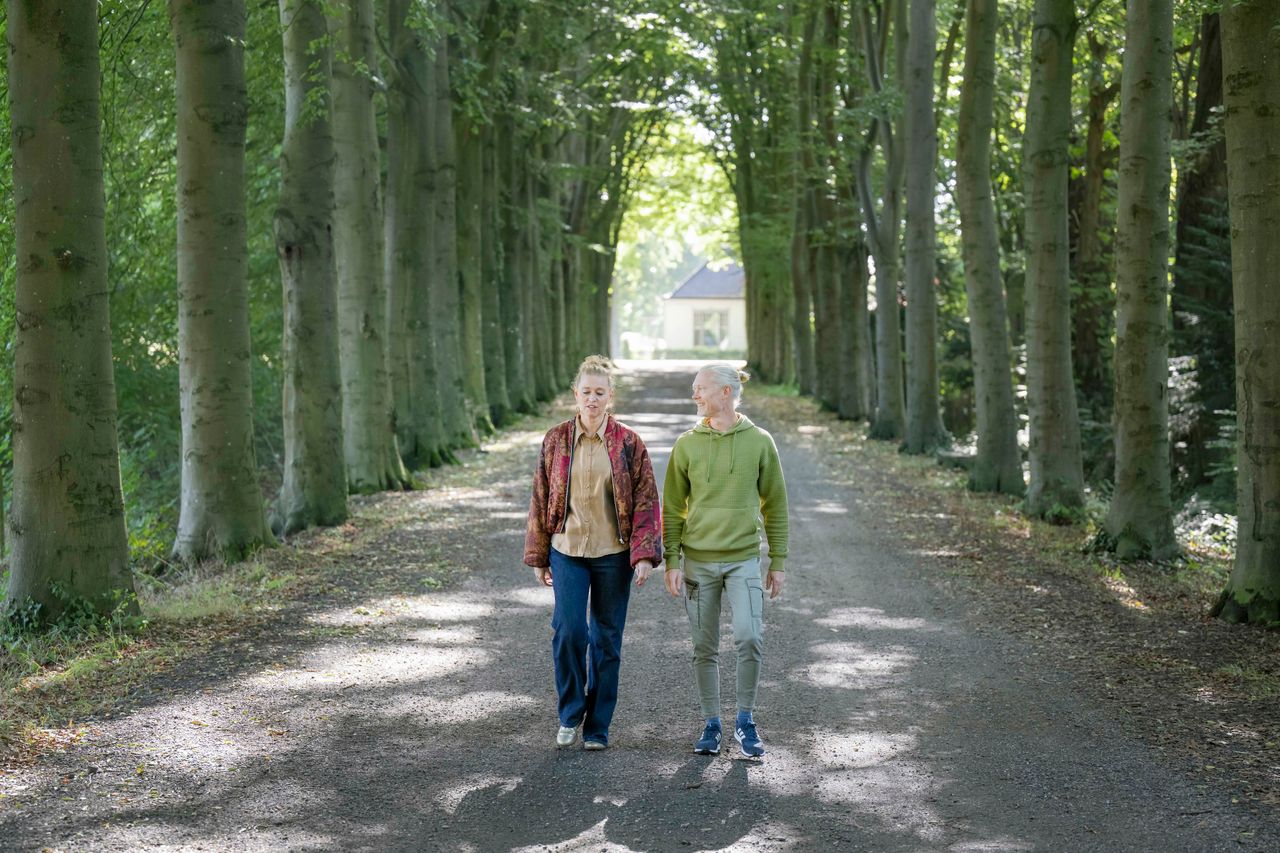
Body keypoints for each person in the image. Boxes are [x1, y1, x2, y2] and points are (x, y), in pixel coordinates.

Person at [524, 355, 661, 750]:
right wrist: (538, 554)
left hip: (612, 554)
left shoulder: (629, 443)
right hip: (566, 550)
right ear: (575, 394)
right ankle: (570, 712)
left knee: (606, 639)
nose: (593, 400)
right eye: (586, 392)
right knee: (569, 630)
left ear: (611, 396)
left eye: (600, 393)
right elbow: (539, 495)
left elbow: (646, 500)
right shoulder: (555, 439)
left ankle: (598, 726)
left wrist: (645, 554)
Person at [663, 362, 789, 758]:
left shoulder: (760, 441)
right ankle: (712, 724)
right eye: (694, 389)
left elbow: (777, 505)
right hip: (698, 563)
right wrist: (671, 559)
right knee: (704, 645)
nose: (695, 395)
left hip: (744, 561)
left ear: (725, 393)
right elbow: (671, 508)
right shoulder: (686, 444)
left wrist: (778, 559)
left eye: (700, 388)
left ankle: (745, 721)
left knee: (750, 636)